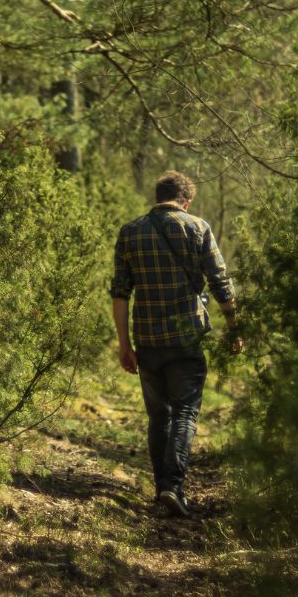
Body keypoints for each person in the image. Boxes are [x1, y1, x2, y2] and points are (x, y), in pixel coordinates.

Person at [109, 170, 241, 518]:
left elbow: (120, 293)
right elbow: (221, 283)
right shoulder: (198, 227)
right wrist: (235, 327)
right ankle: (172, 486)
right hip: (186, 337)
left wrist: (124, 344)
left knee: (158, 417)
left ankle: (161, 489)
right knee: (185, 411)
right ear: (187, 201)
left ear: (158, 196)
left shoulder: (130, 232)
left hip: (147, 339)